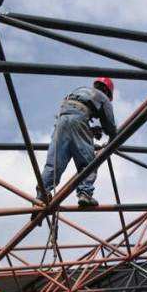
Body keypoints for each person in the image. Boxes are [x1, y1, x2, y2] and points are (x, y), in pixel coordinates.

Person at [33, 77, 117, 222]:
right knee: (88, 164)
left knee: (53, 165)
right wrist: (113, 139)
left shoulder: (80, 90)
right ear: (108, 91)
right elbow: (110, 126)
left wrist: (90, 131)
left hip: (62, 122)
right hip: (78, 121)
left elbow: (73, 116)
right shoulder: (103, 97)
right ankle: (85, 194)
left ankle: (40, 198)